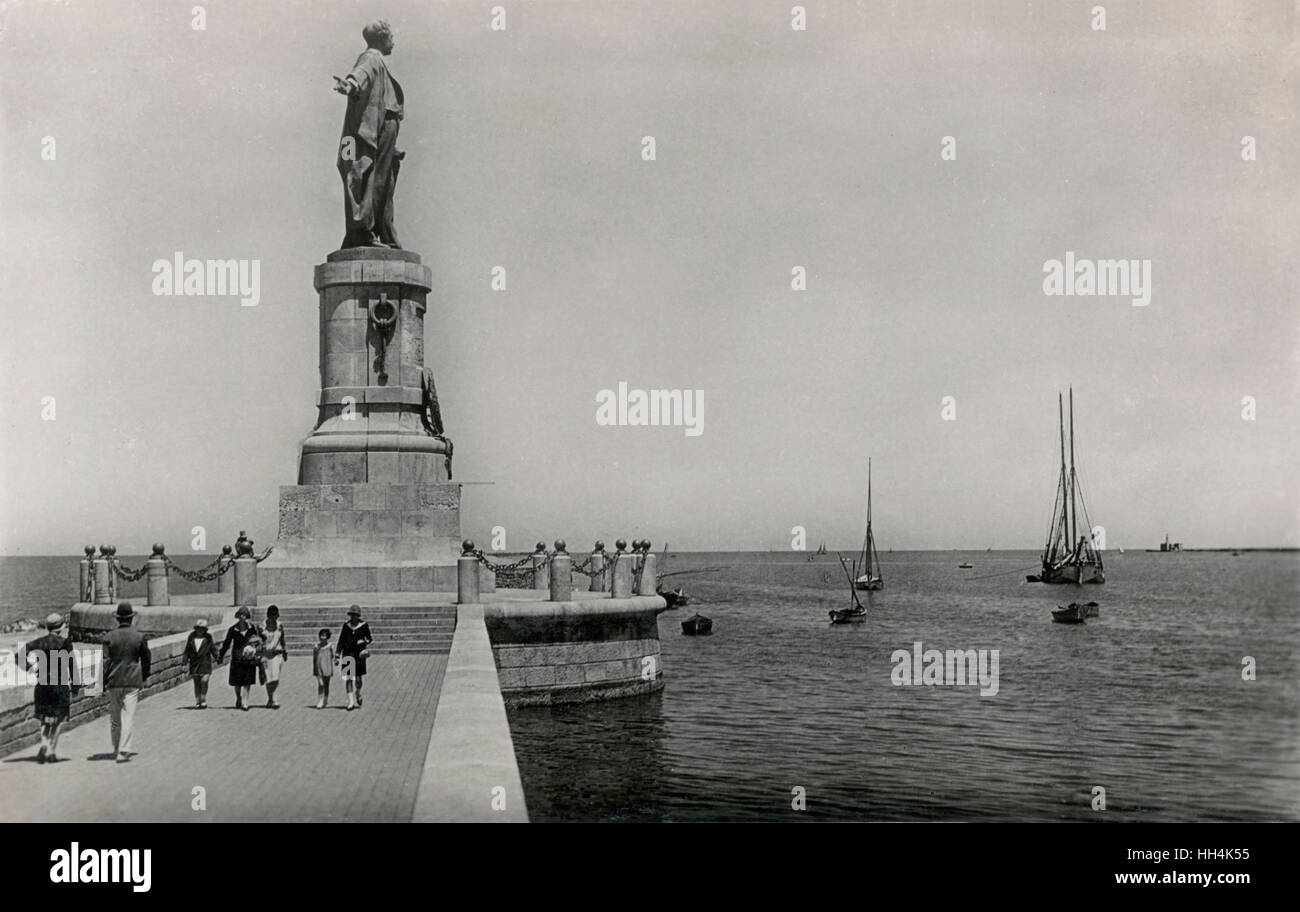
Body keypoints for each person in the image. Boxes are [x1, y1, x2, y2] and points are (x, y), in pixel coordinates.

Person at [333, 19, 405, 248]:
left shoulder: (380, 62)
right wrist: (350, 85)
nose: (394, 41)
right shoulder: (371, 57)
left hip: (380, 132)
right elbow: (359, 75)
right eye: (391, 36)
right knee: (361, 173)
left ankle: (379, 232)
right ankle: (362, 232)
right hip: (367, 134)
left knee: (382, 181)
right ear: (382, 38)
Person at [24, 613, 81, 763]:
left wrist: (31, 667)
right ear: (61, 628)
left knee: (44, 718)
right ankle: (51, 751)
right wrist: (75, 686)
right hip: (59, 685)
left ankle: (43, 743)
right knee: (58, 719)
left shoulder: (38, 642)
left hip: (42, 685)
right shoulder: (65, 643)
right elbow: (72, 665)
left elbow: (19, 655)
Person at [103, 602, 150, 762]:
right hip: (132, 680)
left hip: (114, 680)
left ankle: (116, 747)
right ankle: (124, 750)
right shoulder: (139, 636)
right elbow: (146, 658)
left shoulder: (108, 637)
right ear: (131, 619)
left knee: (114, 718)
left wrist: (102, 682)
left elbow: (105, 662)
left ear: (118, 619)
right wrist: (145, 676)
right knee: (128, 716)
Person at [217, 606, 262, 710]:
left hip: (249, 657)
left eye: (245, 614)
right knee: (237, 682)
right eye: (241, 614)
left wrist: (257, 651)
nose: (243, 616)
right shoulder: (233, 629)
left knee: (247, 680)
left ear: (247, 616)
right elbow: (226, 644)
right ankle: (238, 697)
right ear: (238, 616)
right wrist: (221, 656)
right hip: (237, 657)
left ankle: (245, 701)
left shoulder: (252, 628)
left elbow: (258, 641)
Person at [337, 605, 372, 711]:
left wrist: (364, 641)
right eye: (351, 615)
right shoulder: (346, 626)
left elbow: (370, 638)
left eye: (355, 615)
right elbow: (341, 640)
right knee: (348, 678)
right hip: (347, 653)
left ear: (358, 616)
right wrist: (337, 653)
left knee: (358, 679)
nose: (353, 617)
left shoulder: (364, 625)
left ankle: (358, 692)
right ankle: (351, 701)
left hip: (359, 654)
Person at [182, 619, 216, 708]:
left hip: (205, 662)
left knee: (204, 680)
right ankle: (198, 701)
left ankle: (203, 699)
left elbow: (213, 648)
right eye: (198, 628)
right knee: (196, 682)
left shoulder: (208, 637)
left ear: (205, 630)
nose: (200, 630)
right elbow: (187, 650)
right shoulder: (191, 637)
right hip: (194, 663)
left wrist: (218, 657)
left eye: (202, 628)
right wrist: (184, 662)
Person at [260, 605, 288, 709]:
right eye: (271, 616)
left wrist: (285, 651)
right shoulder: (262, 626)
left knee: (275, 677)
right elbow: (259, 642)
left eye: (275, 616)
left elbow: (283, 640)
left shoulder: (280, 626)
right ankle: (270, 698)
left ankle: (275, 698)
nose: (273, 618)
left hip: (277, 654)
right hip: (266, 655)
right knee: (268, 678)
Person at [312, 628, 336, 709]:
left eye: (324, 636)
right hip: (318, 667)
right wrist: (314, 669)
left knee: (326, 685)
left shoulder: (331, 646)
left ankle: (325, 699)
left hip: (327, 667)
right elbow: (314, 658)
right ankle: (320, 700)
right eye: (321, 635)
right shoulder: (316, 646)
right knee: (321, 684)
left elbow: (333, 656)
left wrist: (336, 660)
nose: (322, 637)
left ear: (327, 637)